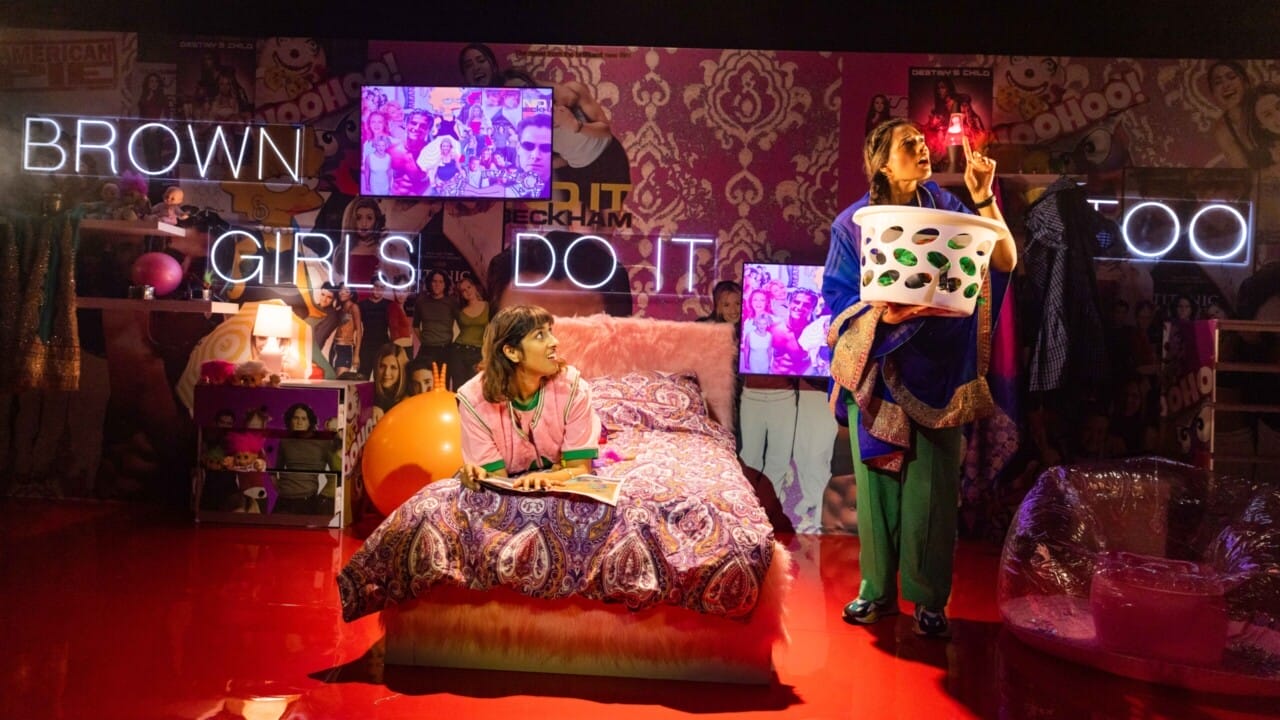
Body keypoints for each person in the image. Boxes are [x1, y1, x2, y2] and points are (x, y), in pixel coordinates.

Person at [824, 118, 1016, 637]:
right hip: (879, 369)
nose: (922, 147)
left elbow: (1004, 259)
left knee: (932, 490)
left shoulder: (948, 210)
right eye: (908, 143)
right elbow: (838, 299)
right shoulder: (853, 224)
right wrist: (881, 316)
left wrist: (983, 197)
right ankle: (876, 591)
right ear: (883, 164)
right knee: (878, 488)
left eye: (921, 140)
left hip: (939, 368)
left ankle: (929, 600)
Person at [455, 304, 602, 492]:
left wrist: (544, 478)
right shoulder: (474, 401)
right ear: (512, 352)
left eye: (550, 331)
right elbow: (497, 479)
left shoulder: (573, 388)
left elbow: (580, 468)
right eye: (540, 335)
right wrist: (478, 475)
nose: (555, 341)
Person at [551, 80, 631, 207]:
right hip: (578, 172)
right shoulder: (528, 127)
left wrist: (576, 126)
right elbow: (562, 159)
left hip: (608, 158)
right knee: (583, 219)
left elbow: (605, 130)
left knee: (609, 215)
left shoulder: (570, 93)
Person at [275, 403, 338, 515]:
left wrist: (326, 497)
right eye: (296, 418)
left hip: (307, 499)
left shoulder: (323, 442)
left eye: (304, 419)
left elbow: (337, 469)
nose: (299, 422)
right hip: (283, 498)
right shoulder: (284, 441)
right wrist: (280, 488)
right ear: (290, 420)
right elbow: (275, 469)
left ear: (310, 422)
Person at [1205, 60, 1260, 168]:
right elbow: (1242, 169)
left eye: (1231, 77)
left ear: (1245, 82)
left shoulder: (1266, 104)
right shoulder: (1222, 129)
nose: (1226, 85)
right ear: (1213, 94)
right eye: (1218, 82)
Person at [448, 272, 490, 391]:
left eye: (469, 287)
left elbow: (493, 332)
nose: (467, 291)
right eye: (463, 290)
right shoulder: (460, 311)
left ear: (475, 287)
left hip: (478, 352)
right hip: (459, 351)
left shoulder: (488, 306)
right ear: (461, 295)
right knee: (458, 388)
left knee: (475, 388)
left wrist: (487, 355)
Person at [413, 270, 458, 373]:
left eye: (441, 282)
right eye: (434, 281)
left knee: (443, 381)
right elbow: (415, 326)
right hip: (426, 350)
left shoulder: (452, 302)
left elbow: (463, 322)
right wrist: (424, 340)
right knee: (422, 379)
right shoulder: (421, 302)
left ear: (445, 285)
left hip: (446, 350)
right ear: (430, 283)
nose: (437, 284)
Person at [372, 343, 409, 413]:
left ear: (402, 371)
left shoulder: (408, 398)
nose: (386, 373)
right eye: (382, 366)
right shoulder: (370, 392)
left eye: (393, 367)